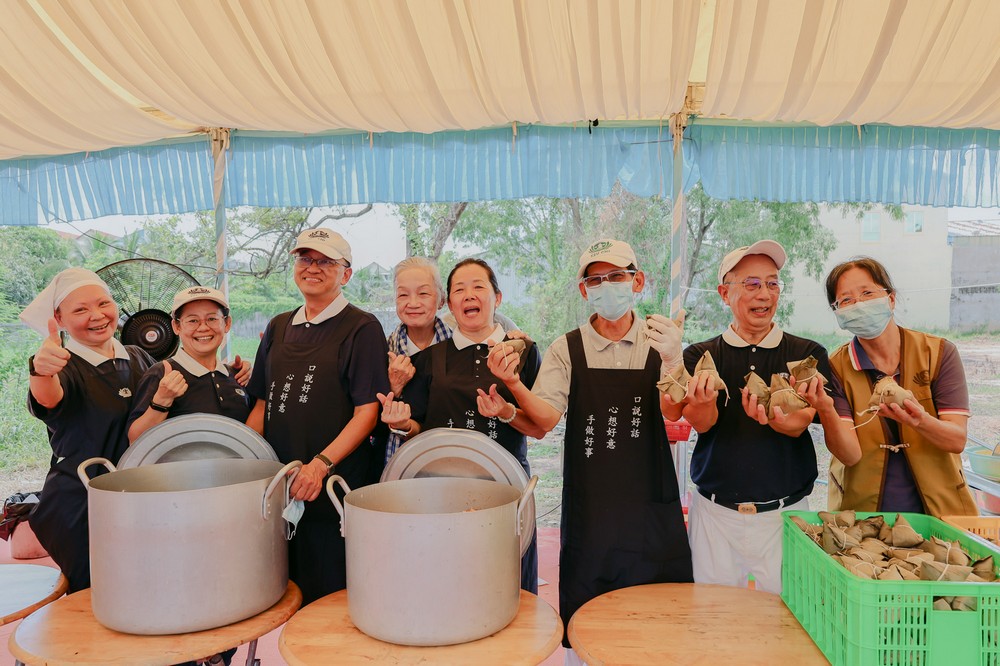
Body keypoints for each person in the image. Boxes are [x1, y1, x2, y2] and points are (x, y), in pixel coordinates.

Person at [481, 239, 693, 657]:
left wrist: (673, 361)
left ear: (638, 281)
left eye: (616, 276)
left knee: (657, 625)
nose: (606, 286)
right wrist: (513, 383)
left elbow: (673, 410)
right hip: (591, 511)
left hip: (650, 508)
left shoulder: (660, 340)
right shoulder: (568, 347)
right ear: (583, 291)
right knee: (587, 630)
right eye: (595, 279)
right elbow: (544, 419)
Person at [667, 240, 828, 595]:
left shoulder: (807, 354)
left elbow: (800, 422)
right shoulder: (700, 354)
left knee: (788, 619)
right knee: (713, 620)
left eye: (772, 283)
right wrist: (704, 400)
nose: (765, 294)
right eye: (752, 284)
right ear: (725, 293)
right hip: (715, 515)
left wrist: (772, 417)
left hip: (786, 514)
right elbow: (703, 423)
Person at [378, 258, 543, 594]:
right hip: (440, 495)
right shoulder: (429, 360)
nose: (469, 295)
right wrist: (401, 424)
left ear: (497, 297)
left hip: (506, 488)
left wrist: (508, 412)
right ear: (450, 304)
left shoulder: (523, 352)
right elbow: (419, 430)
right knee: (446, 586)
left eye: (478, 287)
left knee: (508, 587)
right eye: (459, 290)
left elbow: (540, 427)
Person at [246, 228, 389, 605]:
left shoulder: (362, 327)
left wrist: (320, 465)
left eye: (326, 261)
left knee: (331, 599)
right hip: (280, 485)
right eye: (305, 259)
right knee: (280, 592)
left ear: (346, 274)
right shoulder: (278, 326)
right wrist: (246, 466)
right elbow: (261, 404)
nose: (313, 268)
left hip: (331, 486)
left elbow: (367, 412)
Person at [799, 256, 977, 517]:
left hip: (941, 510)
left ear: (890, 298)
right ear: (838, 313)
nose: (859, 304)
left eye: (868, 293)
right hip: (864, 513)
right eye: (846, 300)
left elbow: (956, 439)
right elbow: (850, 455)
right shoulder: (836, 367)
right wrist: (825, 410)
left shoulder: (938, 353)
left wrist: (920, 421)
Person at [19, 267, 155, 592]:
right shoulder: (63, 365)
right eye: (80, 309)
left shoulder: (138, 357)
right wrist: (40, 371)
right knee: (101, 604)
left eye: (103, 304)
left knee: (148, 596)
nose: (97, 316)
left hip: (140, 503)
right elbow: (48, 399)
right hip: (82, 509)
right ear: (59, 319)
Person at [383, 256, 520, 463]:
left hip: (483, 464)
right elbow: (367, 417)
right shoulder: (382, 349)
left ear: (441, 301)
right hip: (401, 462)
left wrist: (518, 339)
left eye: (423, 293)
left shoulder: (463, 343)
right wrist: (394, 388)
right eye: (403, 294)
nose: (413, 303)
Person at [127, 286, 252, 442]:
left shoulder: (237, 376)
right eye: (192, 320)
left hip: (237, 466)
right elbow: (134, 440)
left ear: (227, 323)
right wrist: (162, 400)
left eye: (212, 318)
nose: (203, 328)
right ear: (176, 326)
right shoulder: (162, 374)